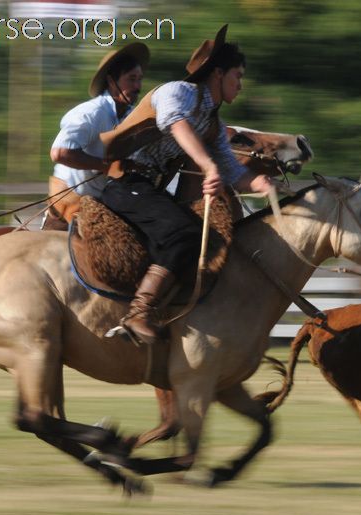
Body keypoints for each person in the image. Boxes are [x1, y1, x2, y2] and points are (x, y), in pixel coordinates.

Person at [98, 25, 280, 345]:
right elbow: (174, 122)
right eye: (237, 75)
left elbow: (234, 172)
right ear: (218, 74)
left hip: (148, 189)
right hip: (125, 181)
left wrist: (261, 183)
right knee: (185, 233)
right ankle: (138, 315)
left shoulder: (211, 123)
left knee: (196, 237)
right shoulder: (177, 92)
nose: (240, 84)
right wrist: (207, 164)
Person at [47, 42, 149, 221]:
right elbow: (60, 153)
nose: (138, 86)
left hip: (101, 199)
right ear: (111, 81)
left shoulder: (131, 116)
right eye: (131, 79)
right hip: (71, 196)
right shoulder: (91, 112)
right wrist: (108, 166)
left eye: (139, 79)